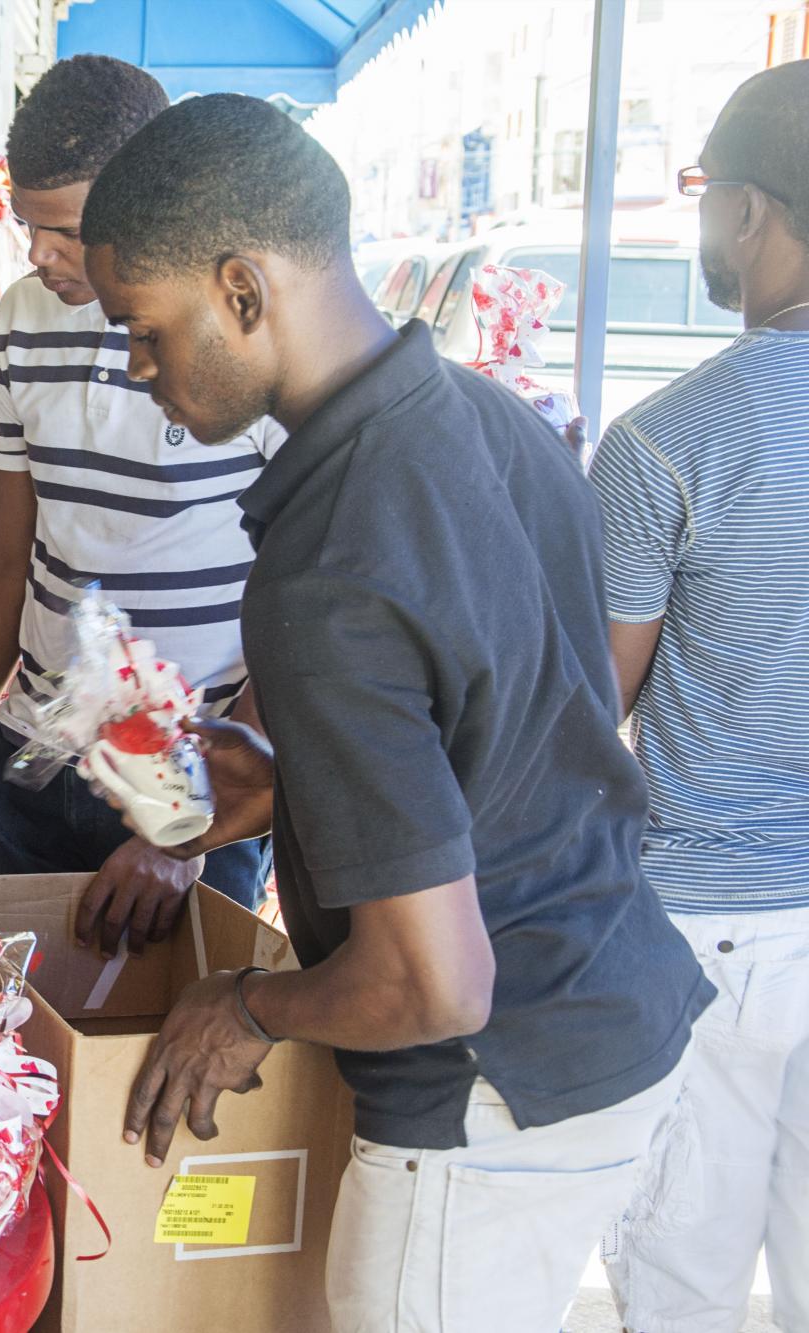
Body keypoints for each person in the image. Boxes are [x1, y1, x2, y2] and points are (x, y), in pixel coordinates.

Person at [77, 94, 713, 1332]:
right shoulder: (486, 419)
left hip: (489, 1098)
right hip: (610, 995)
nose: (139, 373)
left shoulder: (326, 568)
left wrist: (245, 1007)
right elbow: (499, 736)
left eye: (143, 332)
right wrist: (259, 789)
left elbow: (433, 983)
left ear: (242, 289)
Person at [0, 54, 279, 937]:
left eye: (65, 230)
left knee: (160, 1063)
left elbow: (309, 610)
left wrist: (187, 829)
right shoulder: (22, 320)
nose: (40, 255)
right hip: (34, 763)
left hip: (191, 779)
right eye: (27, 225)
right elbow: (8, 551)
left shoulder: (243, 336)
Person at [588, 62, 809, 1333]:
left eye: (703, 196)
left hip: (706, 932)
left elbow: (592, 702)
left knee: (680, 1287)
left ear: (749, 213)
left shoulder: (668, 439)